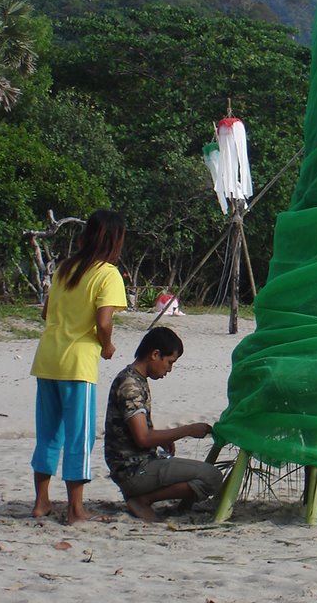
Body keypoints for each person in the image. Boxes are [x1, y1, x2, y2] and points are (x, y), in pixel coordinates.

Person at [30, 209, 128, 524]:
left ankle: (41, 502)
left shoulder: (63, 269)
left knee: (48, 434)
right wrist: (107, 345)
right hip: (78, 363)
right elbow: (104, 321)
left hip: (47, 359)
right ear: (115, 240)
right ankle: (75, 508)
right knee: (79, 436)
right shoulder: (108, 274)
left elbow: (47, 314)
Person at [104, 326, 222, 522]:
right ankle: (143, 499)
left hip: (134, 465)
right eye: (169, 362)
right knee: (212, 478)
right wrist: (188, 430)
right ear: (155, 354)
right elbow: (143, 438)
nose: (169, 369)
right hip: (133, 471)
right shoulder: (130, 385)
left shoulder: (134, 378)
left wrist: (161, 439)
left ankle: (145, 497)